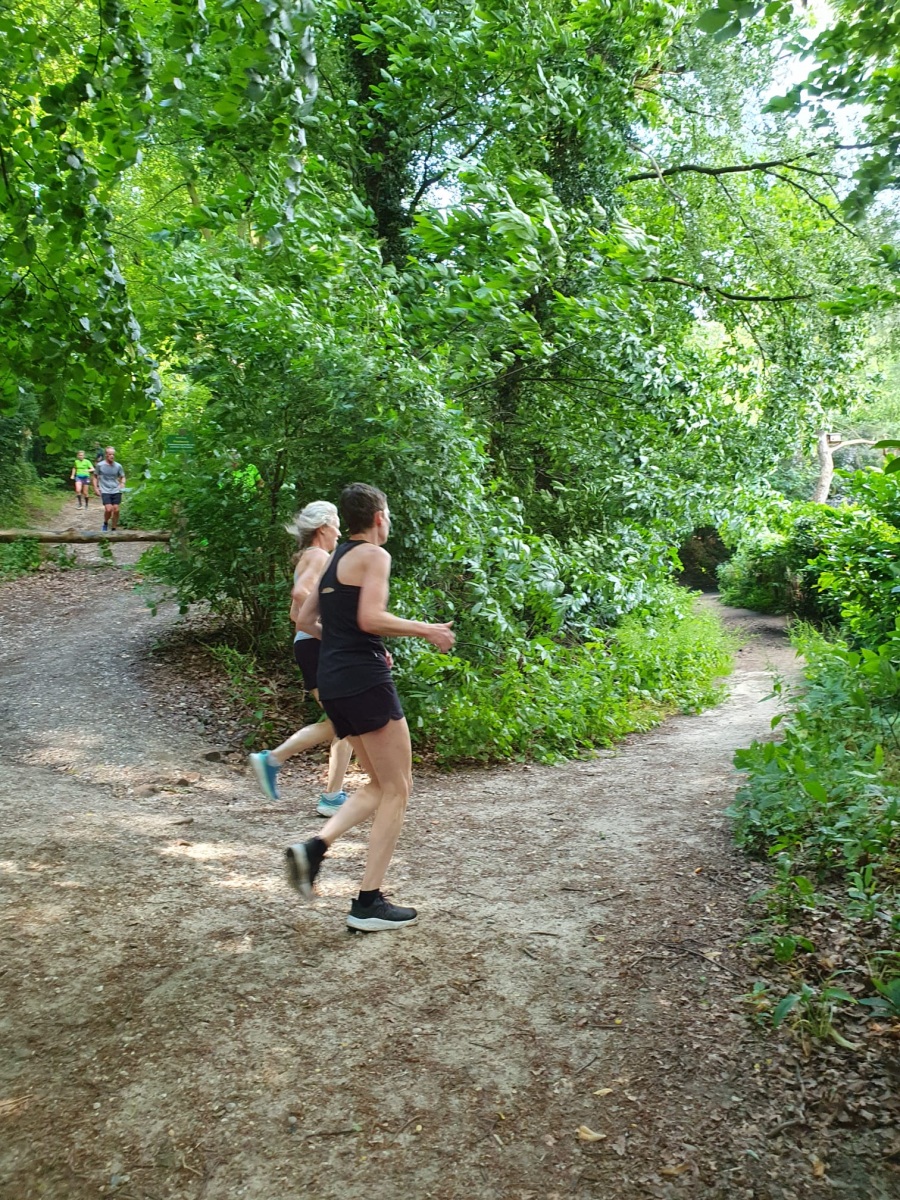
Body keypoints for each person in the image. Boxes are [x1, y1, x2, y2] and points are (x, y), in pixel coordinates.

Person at [286, 482, 455, 932]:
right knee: (399, 787)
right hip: (364, 680)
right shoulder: (374, 555)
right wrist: (427, 630)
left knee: (381, 783)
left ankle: (313, 849)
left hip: (334, 681)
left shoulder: (334, 558)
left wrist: (342, 644)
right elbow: (370, 617)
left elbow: (303, 619)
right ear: (379, 517)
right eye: (389, 514)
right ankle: (367, 903)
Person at [249, 501, 354, 817]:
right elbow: (300, 597)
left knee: (344, 723)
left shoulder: (309, 556)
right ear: (323, 527)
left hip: (311, 645)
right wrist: (334, 630)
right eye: (336, 526)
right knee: (348, 721)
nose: (339, 533)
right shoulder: (319, 556)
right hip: (316, 647)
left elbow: (296, 614)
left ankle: (331, 796)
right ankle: (274, 760)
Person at [93, 446, 125, 532]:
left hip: (116, 489)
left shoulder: (118, 466)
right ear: (106, 455)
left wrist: (122, 483)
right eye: (110, 454)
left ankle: (114, 528)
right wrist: (96, 488)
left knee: (116, 509)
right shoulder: (100, 465)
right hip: (105, 490)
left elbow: (122, 476)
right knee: (108, 509)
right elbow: (95, 476)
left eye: (113, 454)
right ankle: (105, 522)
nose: (112, 456)